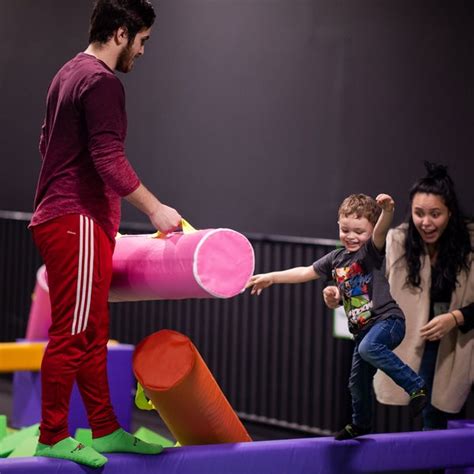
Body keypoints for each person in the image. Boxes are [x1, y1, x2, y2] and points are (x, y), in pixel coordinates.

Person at [29, 0, 181, 468]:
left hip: (70, 217)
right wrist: (157, 210)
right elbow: (108, 159)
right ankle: (52, 434)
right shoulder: (101, 81)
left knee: (93, 333)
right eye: (142, 40)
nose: (142, 50)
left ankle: (106, 428)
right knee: (74, 333)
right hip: (75, 219)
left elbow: (45, 140)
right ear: (120, 33)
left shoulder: (67, 74)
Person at [247, 193, 427, 440]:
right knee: (356, 382)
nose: (351, 236)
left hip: (388, 321)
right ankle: (361, 424)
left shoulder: (371, 253)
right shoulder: (336, 259)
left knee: (369, 348)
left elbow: (381, 231)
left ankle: (415, 386)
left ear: (370, 231)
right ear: (338, 226)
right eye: (345, 229)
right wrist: (271, 277)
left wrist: (387, 211)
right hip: (364, 331)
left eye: (359, 231)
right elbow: (304, 272)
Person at [325, 163, 473, 431]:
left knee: (438, 416)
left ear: (450, 212)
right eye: (418, 213)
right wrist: (339, 293)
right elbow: (362, 274)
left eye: (435, 214)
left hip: (455, 343)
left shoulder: (468, 246)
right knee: (397, 405)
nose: (426, 222)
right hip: (408, 337)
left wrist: (455, 317)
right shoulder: (397, 241)